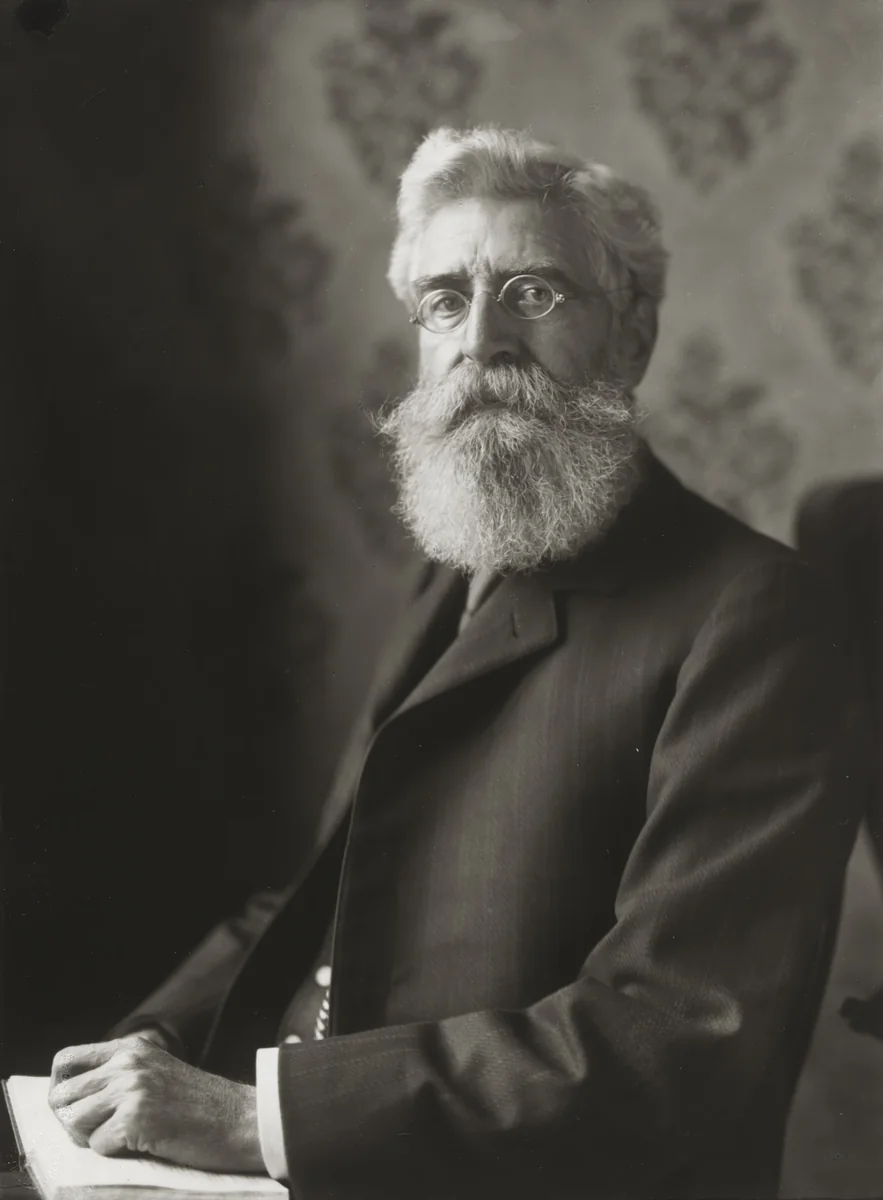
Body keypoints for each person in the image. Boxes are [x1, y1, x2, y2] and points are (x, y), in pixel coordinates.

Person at [47, 126, 864, 1200]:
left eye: (533, 294)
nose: (481, 340)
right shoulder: (462, 567)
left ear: (633, 333)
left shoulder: (758, 616)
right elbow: (319, 893)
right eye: (443, 301)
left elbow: (673, 1037)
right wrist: (140, 1050)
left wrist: (258, 1119)